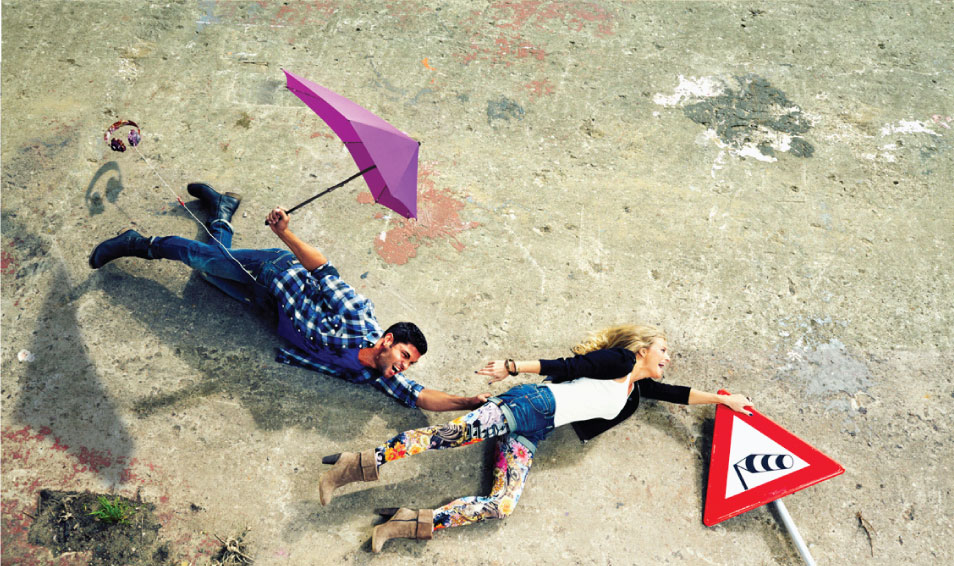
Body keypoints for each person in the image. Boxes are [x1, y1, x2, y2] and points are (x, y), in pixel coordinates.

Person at [317, 324, 753, 552]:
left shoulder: (634, 390)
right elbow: (566, 366)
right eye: (664, 350)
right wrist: (512, 366)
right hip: (530, 403)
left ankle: (409, 522)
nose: (668, 358)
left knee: (501, 504)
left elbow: (677, 394)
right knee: (448, 437)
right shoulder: (620, 361)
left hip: (538, 428)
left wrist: (722, 399)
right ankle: (357, 464)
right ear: (642, 350)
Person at [88, 182, 488, 412]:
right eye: (405, 355)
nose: (404, 366)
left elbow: (420, 396)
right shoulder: (356, 316)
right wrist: (284, 234)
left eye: (410, 363)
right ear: (387, 341)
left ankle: (221, 210)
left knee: (210, 270)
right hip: (275, 272)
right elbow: (323, 270)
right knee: (201, 259)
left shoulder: (375, 374)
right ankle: (138, 242)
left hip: (268, 307)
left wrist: (468, 402)